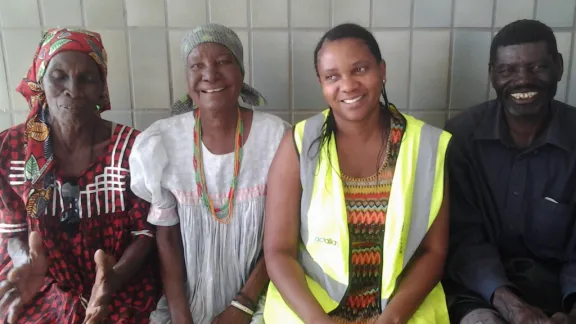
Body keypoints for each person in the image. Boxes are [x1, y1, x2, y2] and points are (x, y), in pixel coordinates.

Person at [263, 23, 452, 324]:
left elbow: (433, 251)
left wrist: (392, 318)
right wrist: (318, 321)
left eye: (360, 69)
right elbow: (278, 252)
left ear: (382, 70)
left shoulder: (426, 145)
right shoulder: (298, 144)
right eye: (332, 77)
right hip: (312, 310)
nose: (348, 85)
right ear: (321, 83)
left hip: (400, 310)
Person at [129, 23, 290, 324]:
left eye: (223, 62)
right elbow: (167, 238)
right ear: (187, 78)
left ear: (241, 72)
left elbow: (284, 235)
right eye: (197, 65)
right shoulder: (161, 143)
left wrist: (242, 306)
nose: (210, 74)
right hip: (187, 300)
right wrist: (181, 316)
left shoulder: (275, 137)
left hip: (261, 296)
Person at [0, 28, 161, 323]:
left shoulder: (133, 148)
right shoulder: (9, 148)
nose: (72, 89)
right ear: (40, 81)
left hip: (122, 281)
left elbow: (145, 232)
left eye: (87, 77)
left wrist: (112, 280)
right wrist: (26, 263)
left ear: (102, 87)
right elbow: (12, 231)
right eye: (59, 76)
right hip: (38, 282)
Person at [445, 19, 576, 324]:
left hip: (560, 289)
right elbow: (462, 239)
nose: (522, 80)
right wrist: (510, 305)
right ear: (492, 74)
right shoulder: (461, 138)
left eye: (537, 67)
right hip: (479, 292)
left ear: (558, 67)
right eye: (508, 71)